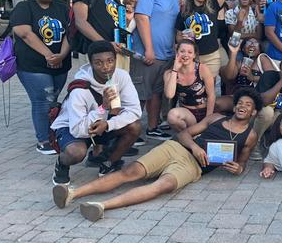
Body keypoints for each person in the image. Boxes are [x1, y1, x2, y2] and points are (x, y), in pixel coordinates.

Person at [54, 88, 261, 221]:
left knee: (164, 186)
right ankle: (73, 193)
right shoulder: (215, 118)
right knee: (131, 172)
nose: (243, 107)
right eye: (240, 103)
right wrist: (196, 148)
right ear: (235, 106)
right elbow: (185, 133)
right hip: (177, 148)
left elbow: (241, 164)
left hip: (193, 167)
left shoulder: (250, 136)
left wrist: (238, 168)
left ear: (253, 113)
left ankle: (101, 206)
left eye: (248, 105)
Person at [50, 42, 142, 184]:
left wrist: (108, 124)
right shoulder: (80, 88)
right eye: (98, 63)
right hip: (74, 127)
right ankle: (62, 164)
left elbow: (135, 110)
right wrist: (103, 108)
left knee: (134, 126)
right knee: (76, 153)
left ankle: (108, 163)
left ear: (116, 60)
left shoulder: (122, 76)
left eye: (110, 61)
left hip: (102, 123)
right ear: (91, 63)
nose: (106, 67)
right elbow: (78, 130)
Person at [11, 0, 72, 154]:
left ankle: (53, 134)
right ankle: (44, 140)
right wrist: (48, 55)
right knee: (42, 101)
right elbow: (25, 33)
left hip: (60, 64)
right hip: (33, 65)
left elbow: (70, 33)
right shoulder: (25, 7)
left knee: (52, 100)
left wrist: (61, 55)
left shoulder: (61, 8)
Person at [133, 0, 180, 141]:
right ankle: (131, 131)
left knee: (156, 93)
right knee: (139, 95)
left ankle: (152, 127)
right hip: (148, 54)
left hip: (167, 55)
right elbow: (141, 18)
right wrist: (149, 49)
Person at [164, 40, 216, 131]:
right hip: (188, 114)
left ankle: (193, 134)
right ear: (177, 53)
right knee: (172, 116)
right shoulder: (169, 73)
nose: (185, 54)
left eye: (190, 52)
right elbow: (169, 95)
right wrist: (175, 70)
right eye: (182, 51)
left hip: (205, 111)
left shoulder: (202, 69)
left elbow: (211, 95)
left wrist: (208, 119)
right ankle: (187, 134)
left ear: (194, 55)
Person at [175, 0, 222, 77]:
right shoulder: (183, 13)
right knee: (195, 88)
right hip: (191, 57)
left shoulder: (213, 6)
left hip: (211, 56)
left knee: (210, 88)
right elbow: (178, 37)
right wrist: (184, 38)